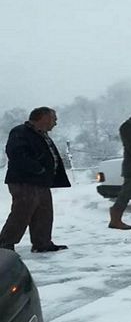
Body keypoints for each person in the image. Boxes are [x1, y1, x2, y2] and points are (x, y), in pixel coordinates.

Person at [0, 107, 70, 252]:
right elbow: (16, 153)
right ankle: (5, 244)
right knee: (22, 212)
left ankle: (42, 243)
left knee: (44, 213)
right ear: (43, 118)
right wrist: (38, 169)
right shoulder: (20, 132)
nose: (55, 123)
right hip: (24, 181)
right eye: (54, 118)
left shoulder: (41, 134)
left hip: (41, 181)